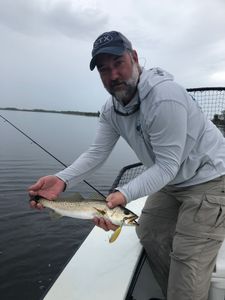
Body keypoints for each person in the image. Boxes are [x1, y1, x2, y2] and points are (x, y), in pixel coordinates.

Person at [29, 30, 225, 300]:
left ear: (134, 58)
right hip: (172, 182)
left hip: (211, 180)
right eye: (103, 69)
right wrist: (62, 180)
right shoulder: (111, 109)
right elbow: (97, 152)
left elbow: (166, 166)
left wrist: (122, 195)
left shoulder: (164, 97)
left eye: (118, 63)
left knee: (187, 261)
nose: (113, 75)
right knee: (148, 231)